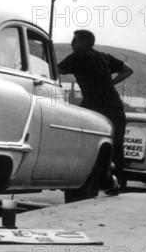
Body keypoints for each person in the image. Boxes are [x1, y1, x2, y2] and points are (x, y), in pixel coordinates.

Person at [57, 30, 134, 196]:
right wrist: (111, 83)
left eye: (75, 40)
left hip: (93, 105)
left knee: (86, 143)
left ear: (84, 42)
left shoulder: (77, 57)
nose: (72, 43)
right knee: (116, 145)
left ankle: (85, 177)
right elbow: (128, 70)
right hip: (114, 106)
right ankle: (115, 182)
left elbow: (55, 71)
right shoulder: (104, 57)